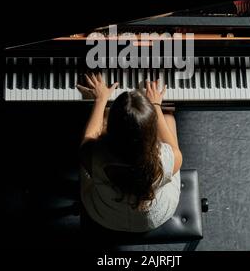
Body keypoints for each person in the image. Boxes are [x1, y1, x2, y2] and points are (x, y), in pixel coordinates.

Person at [77, 73, 183, 233]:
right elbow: (174, 148)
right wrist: (155, 105)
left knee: (102, 116)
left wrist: (100, 100)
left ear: (112, 129)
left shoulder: (95, 155)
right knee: (168, 117)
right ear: (150, 133)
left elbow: (88, 138)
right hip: (152, 218)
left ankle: (107, 115)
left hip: (106, 215)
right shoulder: (165, 160)